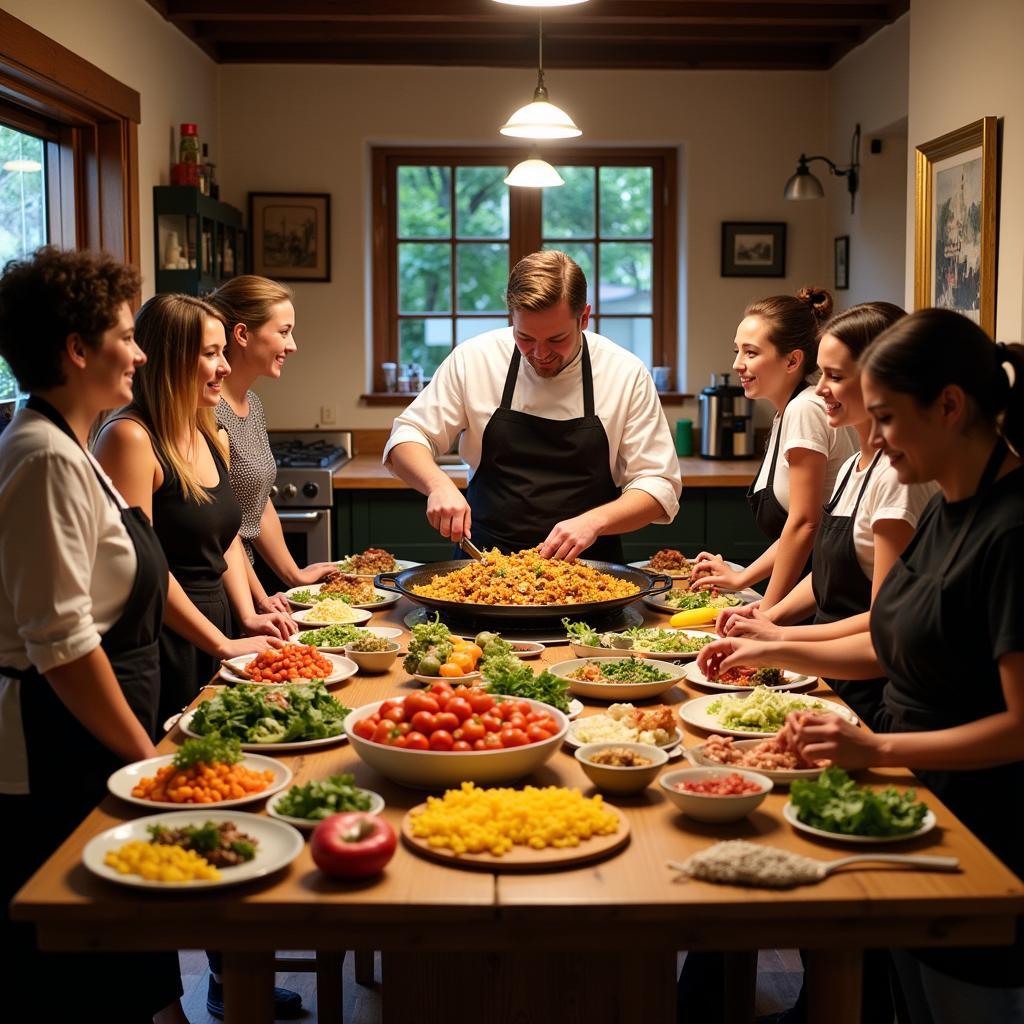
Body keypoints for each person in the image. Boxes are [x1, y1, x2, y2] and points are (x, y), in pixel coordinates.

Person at [700, 309, 1024, 1023]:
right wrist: (772, 645)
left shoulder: (1012, 530)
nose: (871, 440)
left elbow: (1019, 729)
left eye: (885, 418)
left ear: (949, 405)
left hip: (986, 829)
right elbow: (886, 633)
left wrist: (875, 745)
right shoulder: (952, 505)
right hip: (918, 798)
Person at [0, 247, 185, 1024]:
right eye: (123, 333)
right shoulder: (43, 457)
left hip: (106, 721)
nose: (140, 350)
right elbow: (62, 643)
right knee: (82, 970)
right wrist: (145, 762)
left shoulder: (76, 443)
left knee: (129, 942)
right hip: (63, 736)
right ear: (77, 351)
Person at [384, 249, 682, 562]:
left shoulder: (624, 372)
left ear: (584, 317)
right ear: (511, 316)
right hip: (484, 567)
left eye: (556, 339)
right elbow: (407, 436)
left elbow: (659, 484)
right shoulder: (475, 359)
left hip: (592, 572)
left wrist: (595, 521)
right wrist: (438, 485)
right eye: (525, 337)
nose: (540, 353)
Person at [718, 301, 936, 728]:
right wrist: (765, 617)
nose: (819, 390)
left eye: (835, 377)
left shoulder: (897, 481)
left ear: (881, 381)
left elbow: (882, 623)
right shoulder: (855, 470)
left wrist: (778, 639)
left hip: (869, 697)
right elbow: (827, 578)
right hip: (833, 682)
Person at [93, 295, 291, 725]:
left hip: (217, 623)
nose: (224, 366)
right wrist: (220, 643)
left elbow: (228, 539)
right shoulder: (129, 438)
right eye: (211, 354)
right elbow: (141, 566)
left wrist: (247, 616)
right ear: (171, 358)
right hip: (165, 636)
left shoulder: (205, 428)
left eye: (223, 352)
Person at [691, 288, 856, 610]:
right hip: (808, 591)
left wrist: (767, 612)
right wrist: (742, 579)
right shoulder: (787, 412)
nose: (737, 364)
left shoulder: (805, 410)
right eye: (737, 351)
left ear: (793, 360)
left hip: (825, 599)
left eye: (751, 353)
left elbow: (806, 525)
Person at [207, 275, 335, 608]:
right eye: (283, 332)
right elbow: (220, 526)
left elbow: (258, 502)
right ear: (242, 335)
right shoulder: (208, 413)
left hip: (246, 578)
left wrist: (295, 575)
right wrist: (257, 602)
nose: (292, 345)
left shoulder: (254, 405)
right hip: (219, 584)